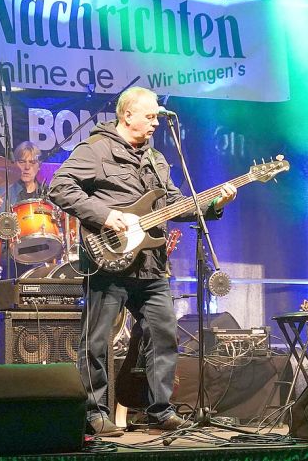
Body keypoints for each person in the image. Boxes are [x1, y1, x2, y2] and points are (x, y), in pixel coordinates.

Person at [48, 86, 236, 436]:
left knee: (163, 333)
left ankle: (159, 409)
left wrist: (215, 205)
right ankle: (94, 411)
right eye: (149, 117)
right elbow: (59, 186)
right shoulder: (96, 149)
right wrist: (105, 215)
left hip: (150, 263)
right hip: (108, 259)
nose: (155, 123)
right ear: (127, 114)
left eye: (157, 118)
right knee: (97, 339)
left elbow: (176, 204)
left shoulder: (157, 160)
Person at [0, 141, 46, 209]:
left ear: (39, 166)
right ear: (15, 164)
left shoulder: (46, 193)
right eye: (22, 162)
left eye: (32, 162)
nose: (27, 167)